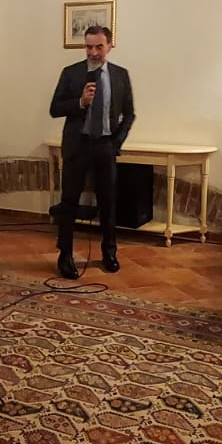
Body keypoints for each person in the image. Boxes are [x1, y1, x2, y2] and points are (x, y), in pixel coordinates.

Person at [48, 25, 135, 280]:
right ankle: (65, 255)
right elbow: (55, 108)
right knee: (69, 202)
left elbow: (129, 113)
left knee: (108, 202)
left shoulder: (120, 75)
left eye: (99, 46)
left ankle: (109, 252)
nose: (93, 52)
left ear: (110, 46)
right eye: (88, 47)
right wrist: (80, 102)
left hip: (105, 145)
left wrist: (116, 143)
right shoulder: (72, 73)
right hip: (78, 145)